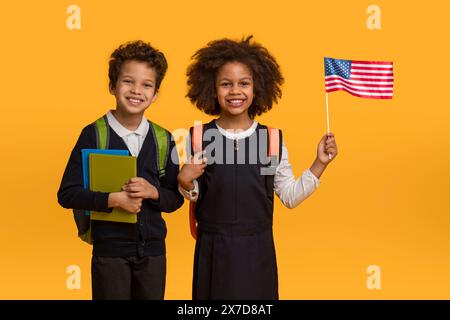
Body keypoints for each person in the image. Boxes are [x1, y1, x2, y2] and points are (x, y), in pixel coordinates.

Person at [177, 36, 338, 299]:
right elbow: (195, 194)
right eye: (225, 84)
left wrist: (320, 163)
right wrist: (184, 181)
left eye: (244, 83)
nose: (235, 91)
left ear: (257, 88)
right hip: (213, 250)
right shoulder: (199, 137)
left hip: (257, 250)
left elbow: (289, 196)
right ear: (212, 88)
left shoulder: (270, 140)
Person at [58, 40, 183, 300]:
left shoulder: (164, 138)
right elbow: (67, 194)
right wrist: (113, 200)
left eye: (146, 85)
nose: (137, 90)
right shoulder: (94, 134)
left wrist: (153, 192)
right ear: (112, 86)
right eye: (128, 81)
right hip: (109, 253)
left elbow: (174, 199)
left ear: (156, 94)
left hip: (153, 253)